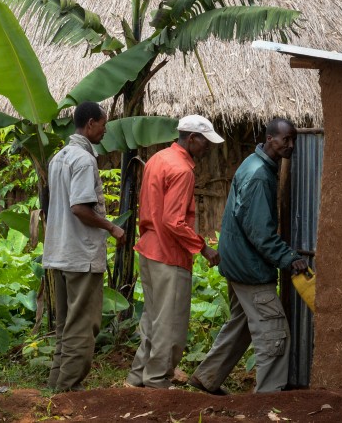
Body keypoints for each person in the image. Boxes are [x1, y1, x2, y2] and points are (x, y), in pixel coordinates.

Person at [188, 117, 309, 394]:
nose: (290, 146)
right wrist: (289, 259)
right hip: (250, 268)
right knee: (274, 333)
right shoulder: (259, 176)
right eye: (284, 140)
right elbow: (260, 233)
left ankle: (207, 378)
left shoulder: (253, 164)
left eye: (293, 140)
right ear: (270, 139)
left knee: (241, 324)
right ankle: (267, 399)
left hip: (237, 263)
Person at [125, 115, 224, 389]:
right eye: (205, 142)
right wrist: (203, 248)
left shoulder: (158, 158)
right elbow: (174, 221)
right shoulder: (182, 170)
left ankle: (137, 378)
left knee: (153, 318)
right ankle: (157, 381)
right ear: (192, 139)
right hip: (169, 254)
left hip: (148, 248)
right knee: (170, 323)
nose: (208, 148)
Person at [44, 101, 126, 392]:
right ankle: (67, 389)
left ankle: (56, 385)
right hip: (80, 256)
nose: (105, 130)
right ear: (90, 123)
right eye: (103, 124)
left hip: (59, 253)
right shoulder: (83, 159)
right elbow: (79, 207)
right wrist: (111, 227)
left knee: (67, 325)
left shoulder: (58, 158)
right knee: (83, 325)